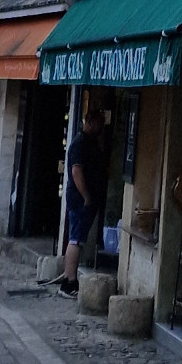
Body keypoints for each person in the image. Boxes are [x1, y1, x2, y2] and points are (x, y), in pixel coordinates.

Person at [58, 99, 108, 296]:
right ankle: (69, 282)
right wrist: (86, 195)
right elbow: (77, 171)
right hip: (80, 200)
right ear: (89, 122)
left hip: (86, 199)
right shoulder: (80, 144)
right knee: (75, 240)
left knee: (77, 238)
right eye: (99, 123)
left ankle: (70, 279)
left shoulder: (90, 143)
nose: (102, 128)